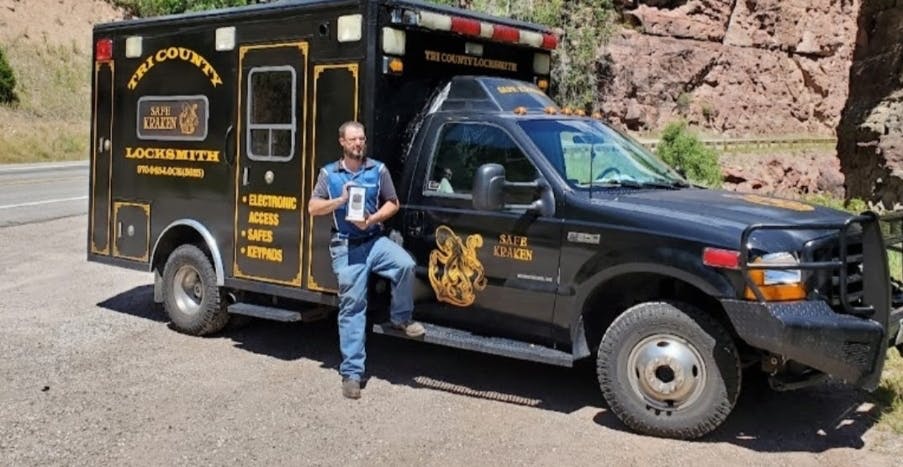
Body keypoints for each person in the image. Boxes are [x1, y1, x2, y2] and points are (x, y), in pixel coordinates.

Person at [308, 121, 425, 400]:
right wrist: (340, 200)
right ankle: (351, 374)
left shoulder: (378, 169)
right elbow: (313, 207)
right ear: (342, 142)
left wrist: (372, 219)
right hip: (346, 246)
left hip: (374, 241)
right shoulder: (329, 173)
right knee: (353, 307)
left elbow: (393, 202)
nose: (359, 144)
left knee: (405, 264)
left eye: (362, 139)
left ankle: (400, 318)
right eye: (353, 140)